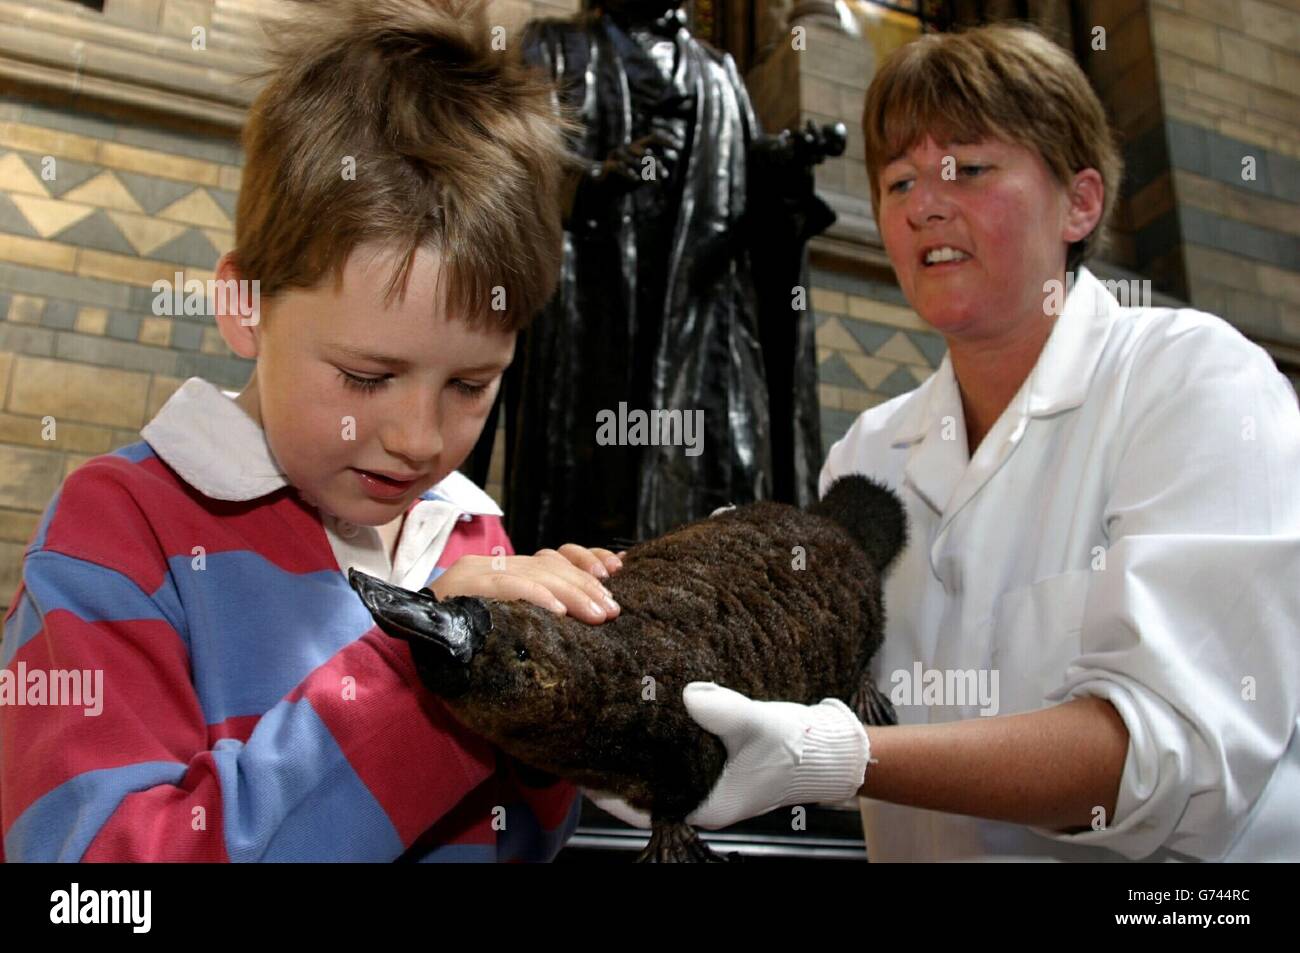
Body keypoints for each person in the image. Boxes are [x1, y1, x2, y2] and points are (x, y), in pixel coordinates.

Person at [594, 22, 1300, 861]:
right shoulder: (867, 452)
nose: (922, 202)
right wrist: (615, 630)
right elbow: (794, 671)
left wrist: (841, 757)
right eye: (897, 180)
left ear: (1080, 202)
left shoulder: (1195, 380)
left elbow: (1170, 756)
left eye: (967, 168)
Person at [0, 0, 623, 862]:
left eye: (471, 385)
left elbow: (524, 838)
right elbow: (95, 881)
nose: (417, 438)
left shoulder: (475, 533)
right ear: (243, 305)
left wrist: (567, 698)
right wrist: (430, 667)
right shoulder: (118, 532)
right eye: (367, 377)